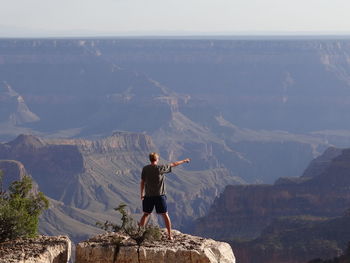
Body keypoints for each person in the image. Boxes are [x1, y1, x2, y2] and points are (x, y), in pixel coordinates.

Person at [139, 152, 190, 240]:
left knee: (146, 214)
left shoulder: (145, 169)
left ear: (150, 159)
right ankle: (170, 235)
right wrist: (184, 160)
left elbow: (142, 182)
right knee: (165, 214)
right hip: (160, 196)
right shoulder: (160, 168)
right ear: (157, 159)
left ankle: (139, 233)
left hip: (148, 196)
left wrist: (142, 194)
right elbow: (173, 164)